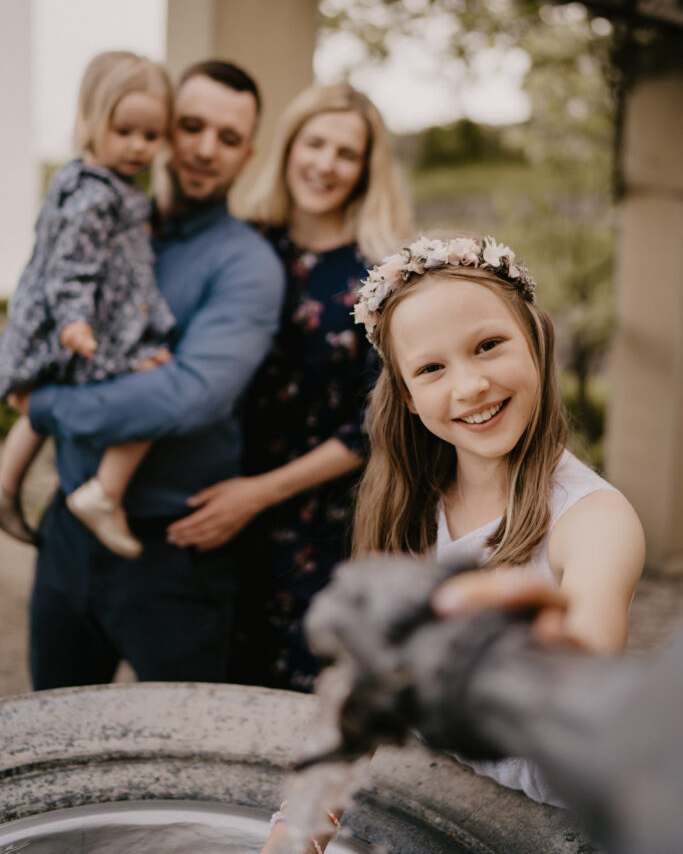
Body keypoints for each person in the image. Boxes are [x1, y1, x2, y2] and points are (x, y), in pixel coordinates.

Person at [263, 230, 644, 854]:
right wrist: (297, 828)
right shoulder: (408, 509)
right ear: (409, 398)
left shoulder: (596, 521)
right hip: (443, 806)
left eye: (489, 346)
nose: (469, 387)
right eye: (432, 368)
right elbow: (352, 696)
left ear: (537, 345)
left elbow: (584, 673)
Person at [13, 59, 285, 689]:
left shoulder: (247, 264)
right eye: (190, 126)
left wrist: (44, 408)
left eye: (227, 138)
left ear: (248, 153)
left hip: (174, 559)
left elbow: (187, 396)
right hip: (66, 537)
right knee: (54, 736)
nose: (203, 149)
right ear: (163, 126)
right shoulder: (99, 218)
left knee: (185, 761)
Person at [167, 83, 413, 692]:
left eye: (346, 153)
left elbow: (374, 423)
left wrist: (257, 494)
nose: (326, 164)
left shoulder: (383, 277)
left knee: (297, 706)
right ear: (288, 147)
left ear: (364, 171)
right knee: (209, 694)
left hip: (318, 522)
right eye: (315, 143)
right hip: (214, 502)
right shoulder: (240, 247)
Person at [0, 51, 175, 559]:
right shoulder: (96, 196)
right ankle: (105, 492)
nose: (139, 147)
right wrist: (75, 320)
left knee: (41, 402)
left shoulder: (94, 181)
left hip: (59, 323)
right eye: (124, 131)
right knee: (154, 379)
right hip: (76, 325)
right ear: (91, 121)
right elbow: (71, 266)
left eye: (151, 135)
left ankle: (7, 485)